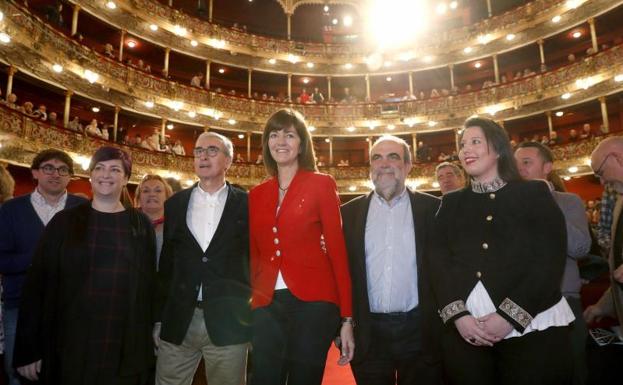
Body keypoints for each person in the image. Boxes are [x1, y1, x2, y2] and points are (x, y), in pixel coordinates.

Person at [430, 117, 574, 385]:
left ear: (497, 149)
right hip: (466, 331)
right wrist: (459, 316)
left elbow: (548, 260)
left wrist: (509, 316)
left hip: (532, 328)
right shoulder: (450, 203)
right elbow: (438, 261)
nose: (466, 150)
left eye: (475, 142)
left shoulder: (533, 194)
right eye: (463, 145)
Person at [14, 147, 156, 385]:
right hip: (71, 338)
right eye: (99, 168)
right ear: (91, 176)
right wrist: (29, 349)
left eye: (114, 169)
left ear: (126, 178)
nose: (105, 175)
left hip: (122, 338)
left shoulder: (140, 224)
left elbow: (148, 285)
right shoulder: (64, 222)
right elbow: (37, 285)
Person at [248, 108, 354, 385]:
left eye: (289, 135)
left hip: (315, 302)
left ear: (302, 143)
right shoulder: (256, 194)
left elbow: (337, 252)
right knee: (263, 378)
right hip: (267, 302)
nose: (280, 141)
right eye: (274, 134)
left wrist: (347, 318)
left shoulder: (321, 184)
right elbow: (254, 256)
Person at [341, 135, 443, 385]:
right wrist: (342, 324)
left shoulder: (434, 209)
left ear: (408, 166)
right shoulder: (347, 214)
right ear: (370, 168)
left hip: (420, 332)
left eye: (393, 157)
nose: (384, 163)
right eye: (377, 158)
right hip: (368, 332)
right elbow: (341, 274)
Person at [155, 132, 251, 385]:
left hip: (229, 321)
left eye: (212, 150)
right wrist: (157, 318)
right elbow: (167, 265)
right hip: (179, 319)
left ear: (228, 161)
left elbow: (255, 264)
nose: (203, 156)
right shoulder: (175, 203)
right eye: (198, 151)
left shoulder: (248, 204)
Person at [0, 150, 87, 385]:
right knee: (16, 372)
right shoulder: (10, 210)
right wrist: (39, 258)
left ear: (70, 176)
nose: (55, 174)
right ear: (35, 173)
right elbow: (2, 260)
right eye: (48, 168)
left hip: (70, 307)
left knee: (67, 371)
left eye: (63, 170)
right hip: (19, 304)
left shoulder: (85, 209)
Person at [515, 142, 591, 385]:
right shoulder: (509, 205)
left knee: (572, 372)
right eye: (516, 164)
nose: (519, 169)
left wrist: (545, 202)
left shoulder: (568, 201)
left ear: (547, 167)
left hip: (563, 300)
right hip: (519, 304)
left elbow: (580, 248)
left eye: (527, 162)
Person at [584, 137, 623, 382]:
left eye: (600, 172)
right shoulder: (620, 203)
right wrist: (602, 306)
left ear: (618, 158)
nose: (602, 181)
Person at [134, 175, 173, 268]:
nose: (152, 194)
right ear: (139, 198)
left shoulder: (176, 227)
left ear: (167, 197)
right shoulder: (128, 223)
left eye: (158, 190)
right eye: (146, 191)